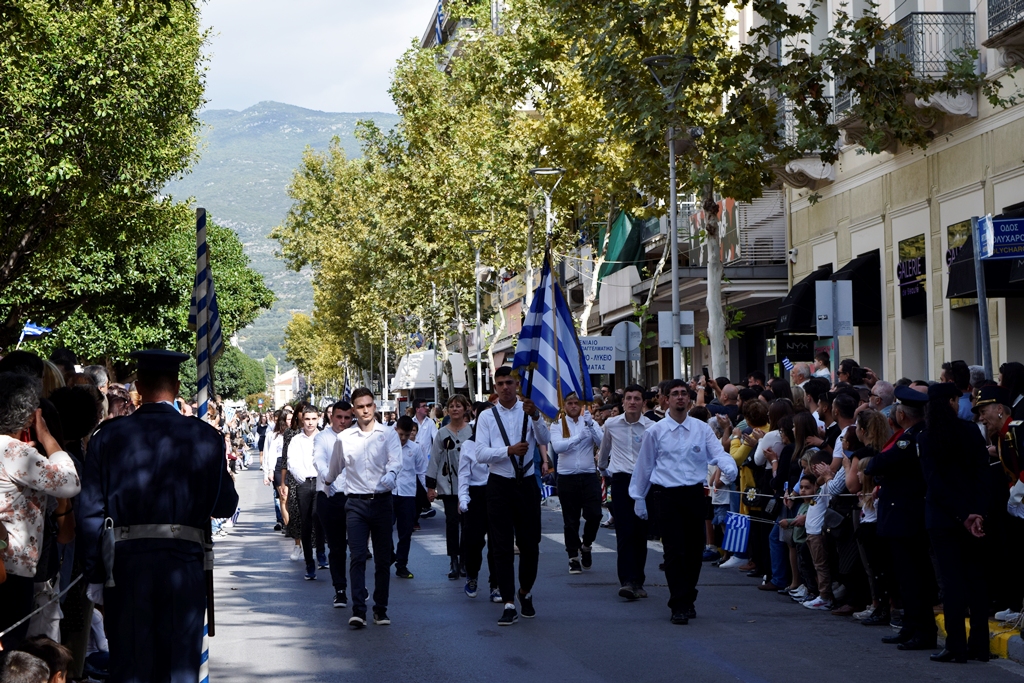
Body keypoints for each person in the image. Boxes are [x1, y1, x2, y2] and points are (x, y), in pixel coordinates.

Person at [78, 349, 238, 683]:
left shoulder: (107, 436)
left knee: (130, 665)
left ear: (138, 386)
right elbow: (224, 505)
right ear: (177, 387)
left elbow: (90, 513)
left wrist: (95, 575)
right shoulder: (206, 436)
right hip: (184, 563)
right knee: (179, 666)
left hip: (125, 567)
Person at [629, 379, 738, 625]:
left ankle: (688, 594)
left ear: (689, 399)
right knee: (674, 552)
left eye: (684, 394)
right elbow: (644, 467)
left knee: (693, 552)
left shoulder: (701, 429)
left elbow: (717, 453)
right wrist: (638, 497)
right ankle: (679, 603)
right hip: (666, 496)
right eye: (675, 394)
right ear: (665, 399)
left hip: (693, 494)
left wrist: (728, 465)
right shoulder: (655, 432)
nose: (680, 398)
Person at [0, 374, 81, 651]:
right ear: (28, 415)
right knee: (10, 650)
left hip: (7, 567)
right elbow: (69, 483)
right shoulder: (14, 452)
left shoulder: (15, 452)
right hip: (11, 571)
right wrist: (47, 438)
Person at [918, 383, 990, 663]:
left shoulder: (926, 438)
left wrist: (962, 515)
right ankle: (980, 646)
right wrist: (977, 513)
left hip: (944, 519)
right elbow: (982, 476)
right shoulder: (971, 432)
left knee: (951, 583)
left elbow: (934, 483)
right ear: (950, 402)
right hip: (973, 518)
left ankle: (956, 645)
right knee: (976, 580)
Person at [474, 366, 550, 626]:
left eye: (509, 382)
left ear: (517, 384)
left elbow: (545, 439)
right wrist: (508, 450)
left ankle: (525, 591)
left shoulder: (528, 410)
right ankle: (508, 601)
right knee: (501, 545)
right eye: (500, 384)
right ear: (495, 388)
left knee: (530, 544)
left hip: (527, 484)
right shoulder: (486, 417)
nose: (505, 387)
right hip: (499, 484)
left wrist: (537, 417)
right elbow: (480, 453)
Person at [864, 385, 937, 652]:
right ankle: (910, 626)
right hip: (905, 514)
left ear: (902, 415)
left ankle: (922, 630)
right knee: (907, 577)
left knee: (913, 576)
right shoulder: (913, 434)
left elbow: (876, 464)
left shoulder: (910, 438)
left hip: (906, 515)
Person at [325, 387, 402, 629]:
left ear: (375, 406)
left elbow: (396, 461)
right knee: (357, 556)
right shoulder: (344, 438)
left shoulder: (388, 434)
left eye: (369, 405)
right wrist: (326, 483)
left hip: (382, 502)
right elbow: (335, 466)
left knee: (382, 559)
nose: (365, 410)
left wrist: (390, 476)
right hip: (356, 503)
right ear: (354, 410)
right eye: (360, 406)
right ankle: (358, 609)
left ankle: (380, 609)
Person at [598, 384, 654, 600]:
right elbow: (604, 451)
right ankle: (627, 580)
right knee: (624, 531)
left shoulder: (651, 427)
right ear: (623, 402)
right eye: (628, 398)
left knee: (640, 532)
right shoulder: (611, 424)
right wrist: (603, 469)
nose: (632, 402)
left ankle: (638, 579)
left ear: (643, 402)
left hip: (644, 482)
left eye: (637, 398)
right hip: (620, 480)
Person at [549, 393, 604, 575]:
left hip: (588, 475)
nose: (573, 406)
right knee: (570, 520)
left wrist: (590, 425)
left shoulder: (589, 422)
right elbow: (558, 447)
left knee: (595, 514)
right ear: (564, 405)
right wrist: (579, 437)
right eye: (570, 403)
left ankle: (586, 544)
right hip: (567, 476)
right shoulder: (558, 425)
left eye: (576, 403)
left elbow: (602, 442)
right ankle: (573, 556)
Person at [427, 395, 473, 580]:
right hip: (448, 483)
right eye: (451, 406)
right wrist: (431, 486)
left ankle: (464, 560)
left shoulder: (472, 432)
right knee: (452, 522)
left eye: (458, 406)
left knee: (467, 525)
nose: (455, 409)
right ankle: (453, 560)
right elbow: (434, 460)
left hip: (469, 485)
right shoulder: (441, 433)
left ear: (465, 409)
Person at [313, 401, 353, 607]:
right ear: (332, 417)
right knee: (336, 546)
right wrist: (329, 478)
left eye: (347, 417)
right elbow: (319, 460)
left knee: (357, 547)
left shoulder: (357, 437)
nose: (343, 422)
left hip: (354, 496)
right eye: (339, 417)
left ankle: (358, 587)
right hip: (329, 496)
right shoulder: (322, 438)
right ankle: (340, 589)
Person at [458, 403, 499, 602]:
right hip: (476, 494)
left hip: (497, 490)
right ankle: (472, 576)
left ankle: (496, 583)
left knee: (497, 541)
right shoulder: (468, 445)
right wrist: (463, 497)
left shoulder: (501, 442)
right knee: (473, 541)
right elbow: (464, 475)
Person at [285, 407, 323, 580]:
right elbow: (292, 462)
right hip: (304, 483)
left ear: (318, 419)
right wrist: (302, 479)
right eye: (307, 419)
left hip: (321, 482)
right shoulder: (296, 440)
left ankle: (321, 551)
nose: (310, 422)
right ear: (302, 420)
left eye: (313, 419)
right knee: (306, 523)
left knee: (319, 517)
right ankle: (309, 563)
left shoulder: (324, 437)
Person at [393, 416, 426, 579]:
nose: (404, 438)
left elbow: (421, 471)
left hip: (407, 494)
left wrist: (428, 490)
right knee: (383, 529)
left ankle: (402, 564)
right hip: (389, 493)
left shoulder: (415, 448)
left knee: (405, 532)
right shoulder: (387, 446)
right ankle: (391, 555)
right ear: (395, 430)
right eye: (400, 434)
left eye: (407, 435)